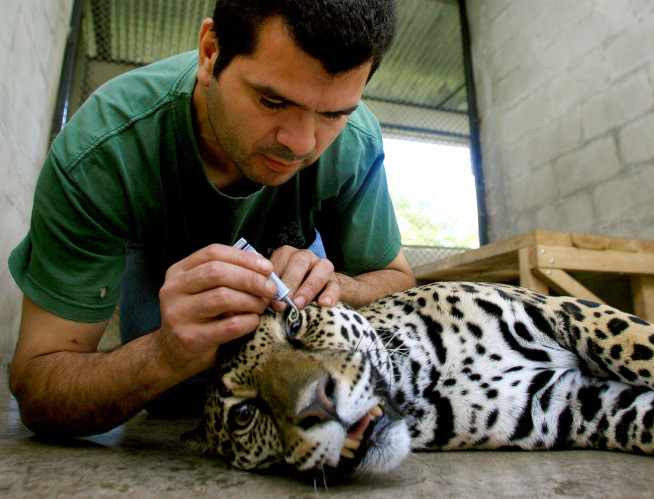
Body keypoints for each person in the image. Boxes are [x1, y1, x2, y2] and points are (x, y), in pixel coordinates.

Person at [8, 0, 414, 437]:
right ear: (210, 53)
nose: (300, 144)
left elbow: (396, 277)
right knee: (176, 395)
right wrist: (163, 355)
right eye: (272, 101)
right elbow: (38, 385)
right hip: (159, 266)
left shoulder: (355, 143)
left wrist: (336, 286)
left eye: (334, 114)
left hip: (299, 277)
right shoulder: (104, 152)